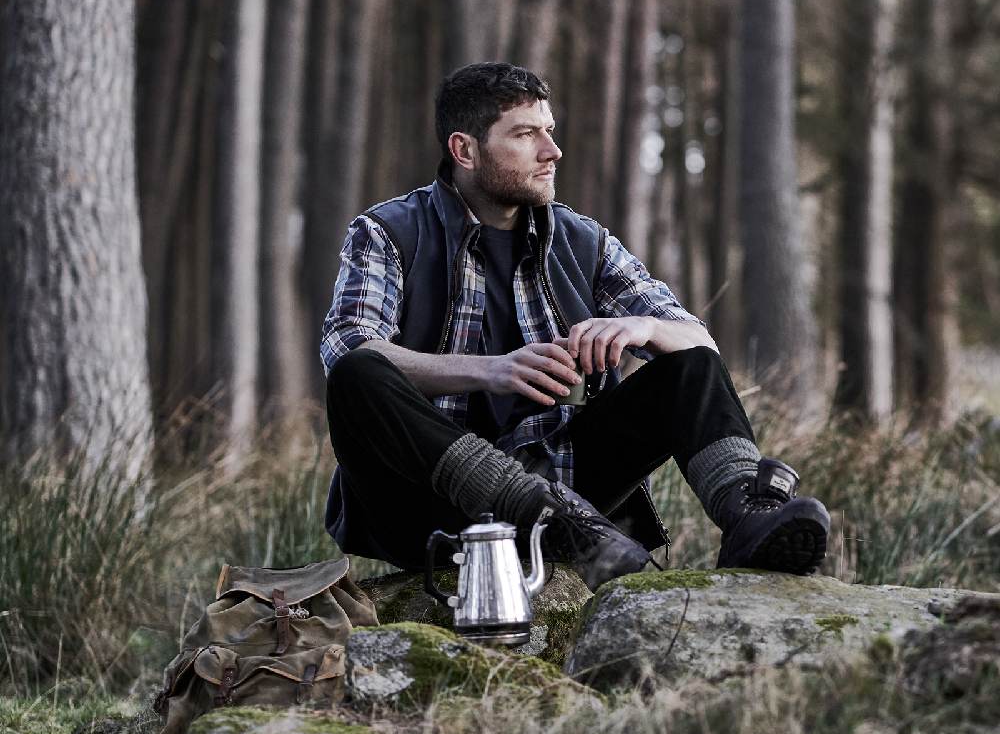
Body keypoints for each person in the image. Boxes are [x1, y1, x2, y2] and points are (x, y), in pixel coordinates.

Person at [321, 61, 829, 590]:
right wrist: (490, 370)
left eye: (550, 131)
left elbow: (699, 340)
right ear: (465, 150)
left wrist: (641, 328)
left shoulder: (583, 239)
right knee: (359, 372)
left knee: (691, 364)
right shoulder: (387, 231)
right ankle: (553, 521)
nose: (552, 151)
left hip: (573, 494)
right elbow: (348, 345)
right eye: (526, 135)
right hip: (427, 501)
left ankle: (748, 516)